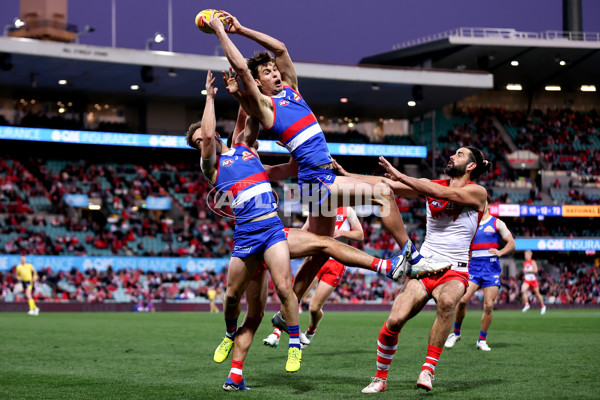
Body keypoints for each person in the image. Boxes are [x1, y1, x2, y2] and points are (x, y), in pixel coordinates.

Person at [203, 11, 450, 308]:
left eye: (274, 69)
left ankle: (287, 310)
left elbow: (280, 47)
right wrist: (220, 31)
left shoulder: (292, 90)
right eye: (267, 73)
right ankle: (412, 254)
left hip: (319, 180)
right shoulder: (265, 107)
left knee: (323, 249)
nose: (275, 73)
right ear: (258, 84)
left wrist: (241, 28)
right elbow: (242, 70)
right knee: (383, 192)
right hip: (317, 180)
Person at [186, 70, 302, 390]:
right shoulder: (210, 166)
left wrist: (241, 85)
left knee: (283, 288)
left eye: (204, 138)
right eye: (197, 143)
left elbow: (250, 116)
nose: (204, 142)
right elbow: (208, 137)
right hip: (246, 235)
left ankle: (294, 345)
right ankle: (228, 336)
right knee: (232, 297)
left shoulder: (244, 147)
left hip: (271, 228)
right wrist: (210, 97)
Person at [340, 147, 490, 393]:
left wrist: (400, 175)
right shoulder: (429, 184)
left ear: (471, 166)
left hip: (455, 269)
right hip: (424, 266)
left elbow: (440, 191)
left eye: (460, 154)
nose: (452, 156)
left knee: (448, 302)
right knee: (395, 320)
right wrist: (348, 175)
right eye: (453, 153)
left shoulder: (477, 192)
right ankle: (380, 379)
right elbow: (382, 183)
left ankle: (428, 370)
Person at [263, 206, 364, 349]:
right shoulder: (318, 209)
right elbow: (303, 232)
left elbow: (360, 235)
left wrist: (341, 232)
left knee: (314, 308)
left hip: (336, 264)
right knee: (293, 296)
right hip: (315, 258)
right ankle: (276, 333)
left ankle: (310, 332)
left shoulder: (347, 211)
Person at [444, 195, 516, 351]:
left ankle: (481, 340)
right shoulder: (471, 223)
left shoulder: (497, 223)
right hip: (474, 269)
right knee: (462, 301)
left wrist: (501, 252)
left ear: (488, 205)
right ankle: (456, 333)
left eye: (483, 203)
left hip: (491, 270)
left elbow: (512, 243)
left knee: (489, 305)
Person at [521, 250, 546, 315]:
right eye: (525, 255)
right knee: (522, 290)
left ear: (530, 255)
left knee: (537, 294)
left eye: (526, 255)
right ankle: (527, 304)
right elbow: (525, 271)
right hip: (527, 280)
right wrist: (524, 275)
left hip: (533, 280)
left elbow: (535, 270)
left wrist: (527, 271)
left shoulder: (532, 261)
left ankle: (543, 306)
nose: (525, 256)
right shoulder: (525, 262)